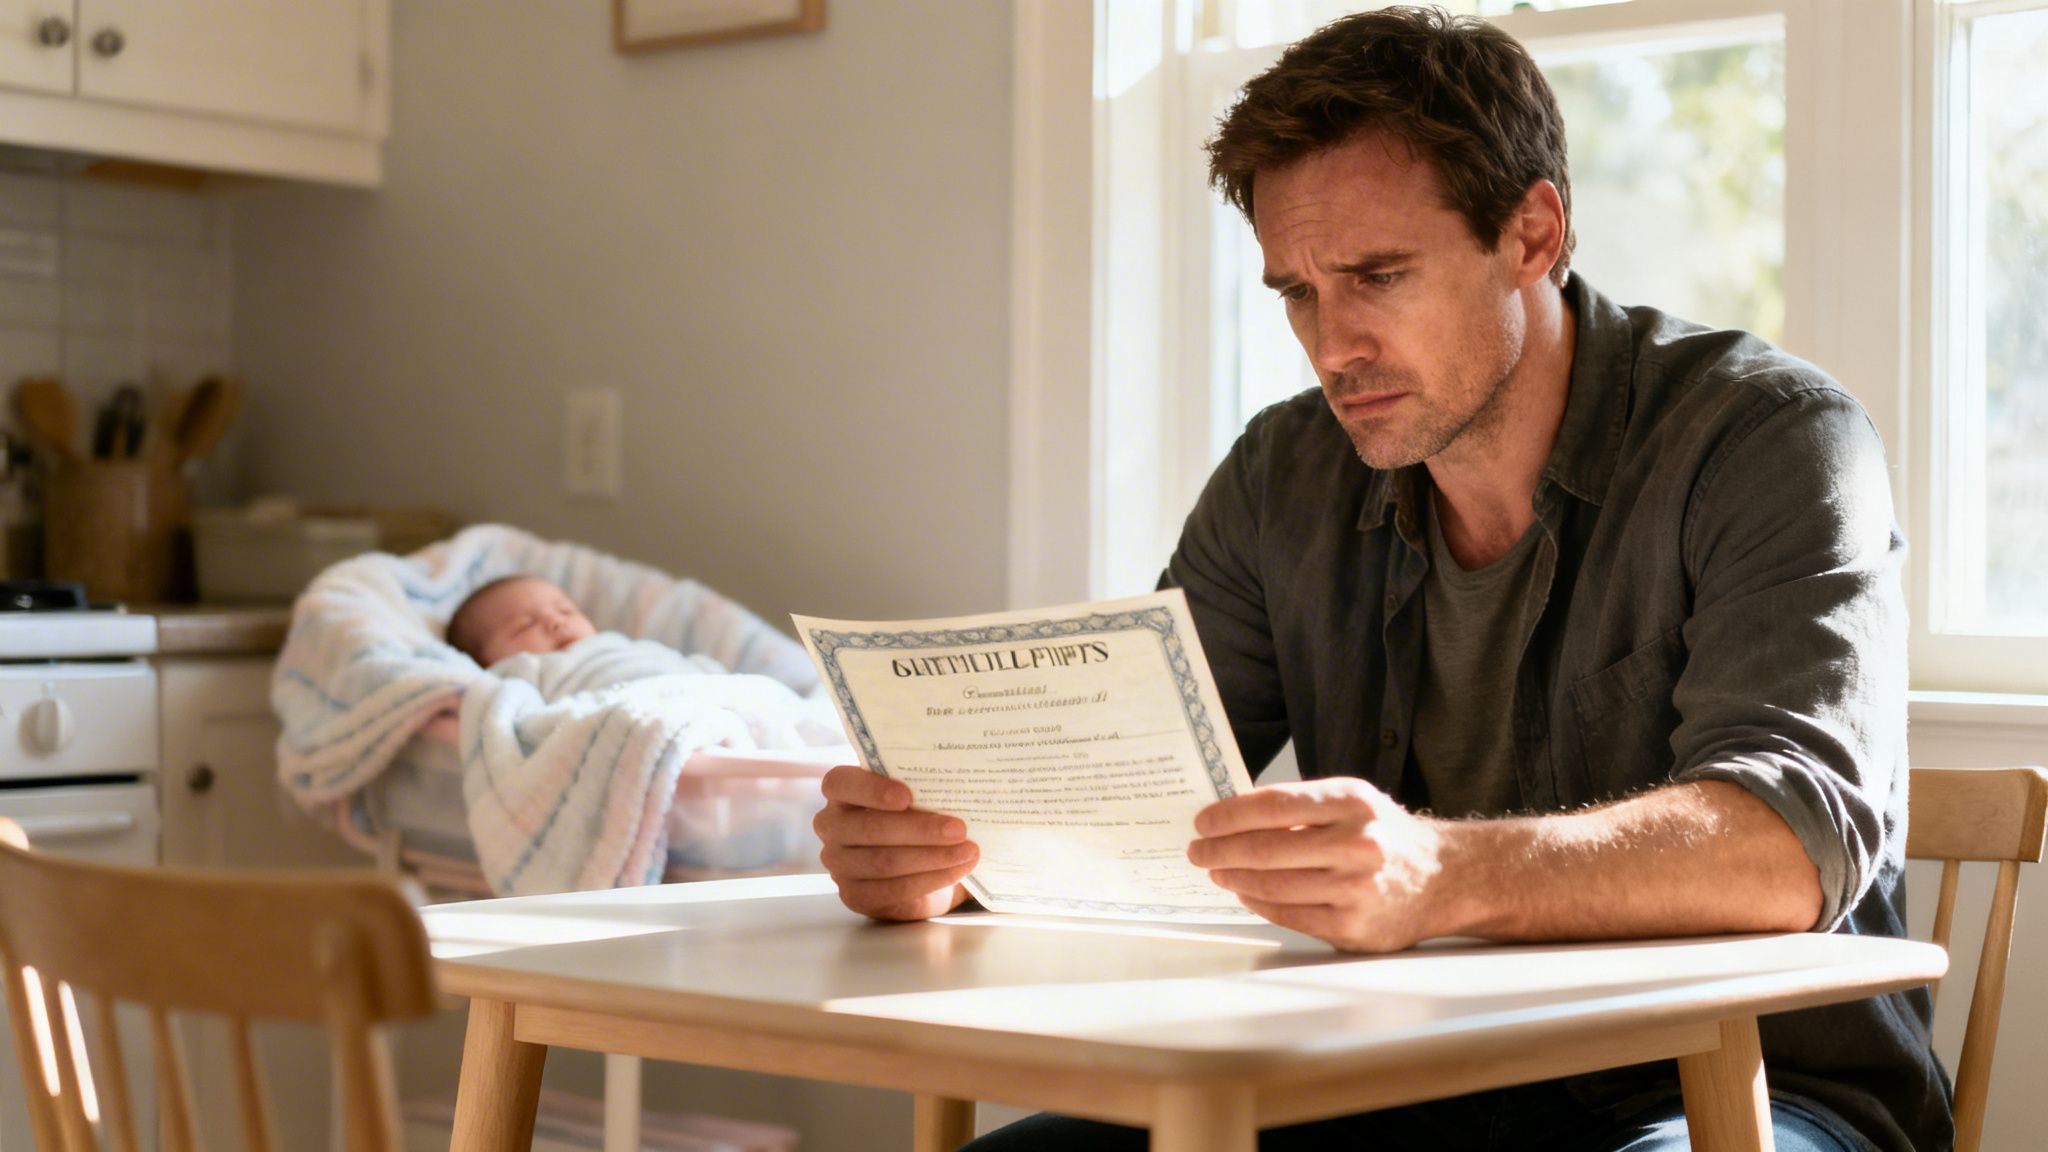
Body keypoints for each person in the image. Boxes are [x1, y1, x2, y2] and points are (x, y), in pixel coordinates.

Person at [813, 7, 1945, 1151]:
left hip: (1738, 1093)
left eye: (1377, 275)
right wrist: (951, 859)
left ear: (1531, 234)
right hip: (1392, 1081)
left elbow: (1785, 844)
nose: (1330, 342)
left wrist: (1438, 871)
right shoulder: (1280, 477)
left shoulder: (1766, 442)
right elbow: (1131, 792)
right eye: (1296, 291)